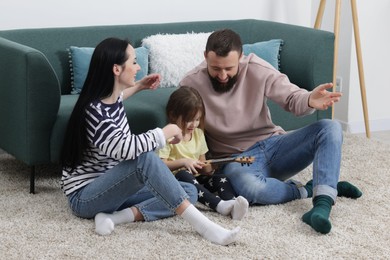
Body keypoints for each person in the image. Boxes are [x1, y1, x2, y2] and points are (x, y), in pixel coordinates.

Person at [179, 29, 362, 234]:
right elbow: (186, 130)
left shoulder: (257, 68)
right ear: (205, 57)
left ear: (241, 57)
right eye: (215, 68)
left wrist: (309, 99)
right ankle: (309, 189)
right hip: (236, 159)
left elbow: (292, 97)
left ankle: (322, 204)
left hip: (274, 145)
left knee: (331, 127)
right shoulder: (190, 83)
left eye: (229, 68)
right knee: (251, 189)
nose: (222, 75)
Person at [60, 37, 240, 245]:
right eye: (134, 62)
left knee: (187, 191)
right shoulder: (95, 113)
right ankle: (206, 228)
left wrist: (139, 86)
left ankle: (113, 217)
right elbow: (125, 150)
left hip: (113, 191)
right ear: (117, 70)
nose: (139, 67)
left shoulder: (110, 98)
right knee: (144, 159)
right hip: (86, 198)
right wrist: (165, 132)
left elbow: (120, 97)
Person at [158, 86, 249, 220]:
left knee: (220, 178)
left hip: (197, 179)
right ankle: (219, 205)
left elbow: (205, 168)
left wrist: (215, 165)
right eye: (189, 119)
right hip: (178, 182)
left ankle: (233, 204)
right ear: (173, 115)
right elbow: (160, 165)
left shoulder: (198, 134)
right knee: (184, 174)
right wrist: (184, 162)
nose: (193, 124)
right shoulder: (168, 136)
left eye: (197, 119)